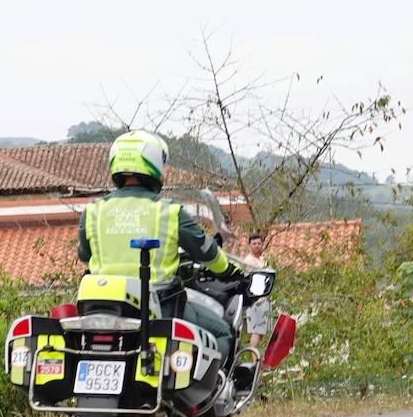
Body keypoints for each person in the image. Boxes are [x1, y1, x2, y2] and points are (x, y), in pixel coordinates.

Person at [77, 130, 245, 364]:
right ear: (154, 165)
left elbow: (84, 254)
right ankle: (206, 397)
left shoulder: (92, 212)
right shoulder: (168, 212)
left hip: (102, 309)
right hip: (160, 307)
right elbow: (207, 251)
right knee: (222, 332)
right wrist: (229, 271)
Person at [241, 233, 273, 350]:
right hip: (254, 299)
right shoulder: (248, 261)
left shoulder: (263, 260)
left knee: (262, 332)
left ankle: (257, 358)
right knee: (256, 330)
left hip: (264, 298)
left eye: (259, 243)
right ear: (250, 245)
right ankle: (254, 359)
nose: (257, 246)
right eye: (254, 244)